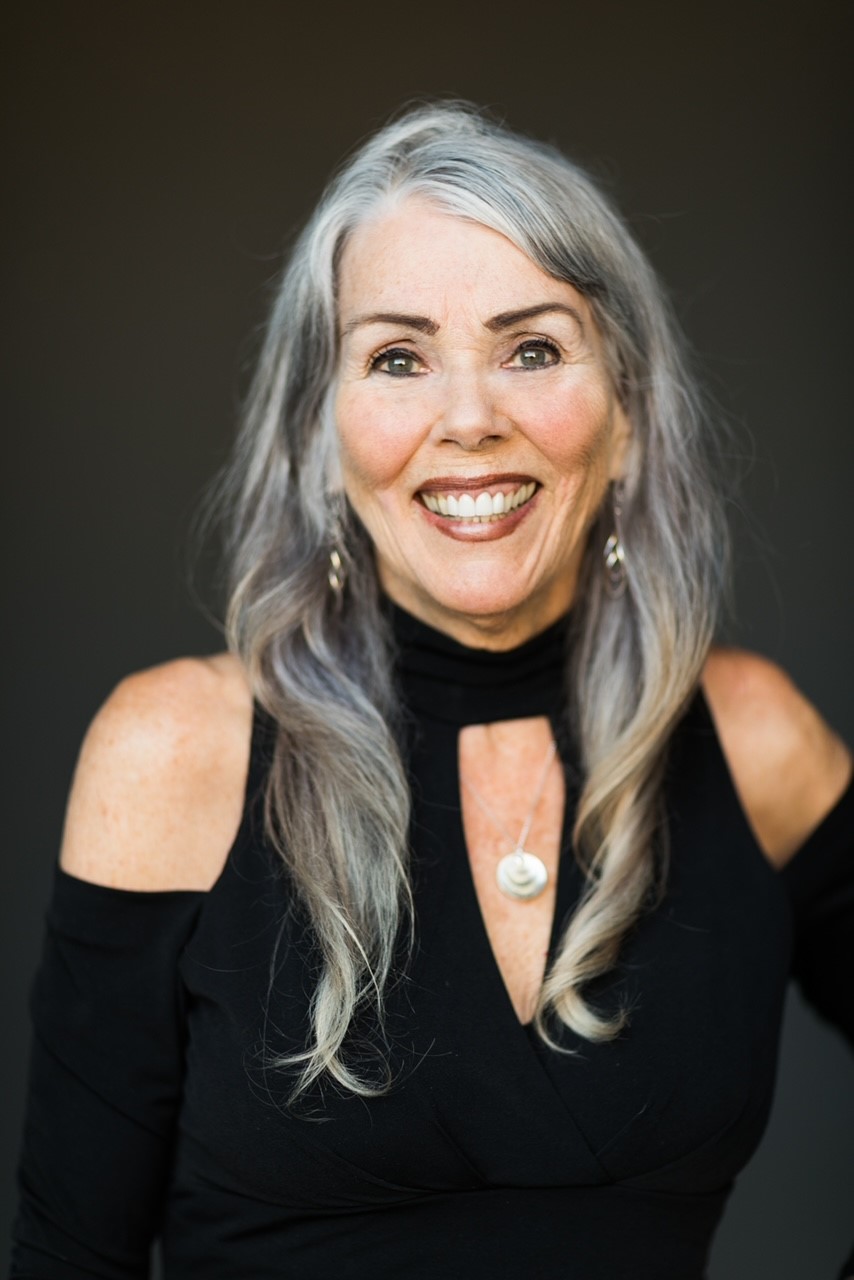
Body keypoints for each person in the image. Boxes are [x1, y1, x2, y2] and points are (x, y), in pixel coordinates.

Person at [10, 102, 853, 1280]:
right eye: (397, 357)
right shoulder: (173, 749)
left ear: (625, 414)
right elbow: (66, 1258)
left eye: (532, 348)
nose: (468, 419)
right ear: (322, 427)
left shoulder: (748, 735)